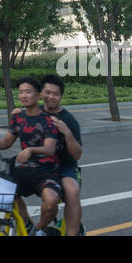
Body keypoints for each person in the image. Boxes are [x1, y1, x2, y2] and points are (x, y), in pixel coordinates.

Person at [0, 77, 62, 235]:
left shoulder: (48, 120)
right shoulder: (18, 118)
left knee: (51, 201)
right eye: (21, 92)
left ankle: (39, 230)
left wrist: (31, 150)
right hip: (25, 170)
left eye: (28, 92)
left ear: (38, 95)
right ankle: (27, 224)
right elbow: (6, 141)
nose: (23, 95)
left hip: (47, 171)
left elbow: (50, 149)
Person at [39, 73, 84, 236]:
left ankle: (72, 232)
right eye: (47, 92)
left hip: (64, 166)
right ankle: (36, 228)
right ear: (40, 93)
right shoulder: (34, 114)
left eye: (55, 94)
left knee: (72, 190)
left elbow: (78, 154)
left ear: (61, 96)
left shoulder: (69, 120)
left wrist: (67, 133)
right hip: (40, 165)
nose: (51, 96)